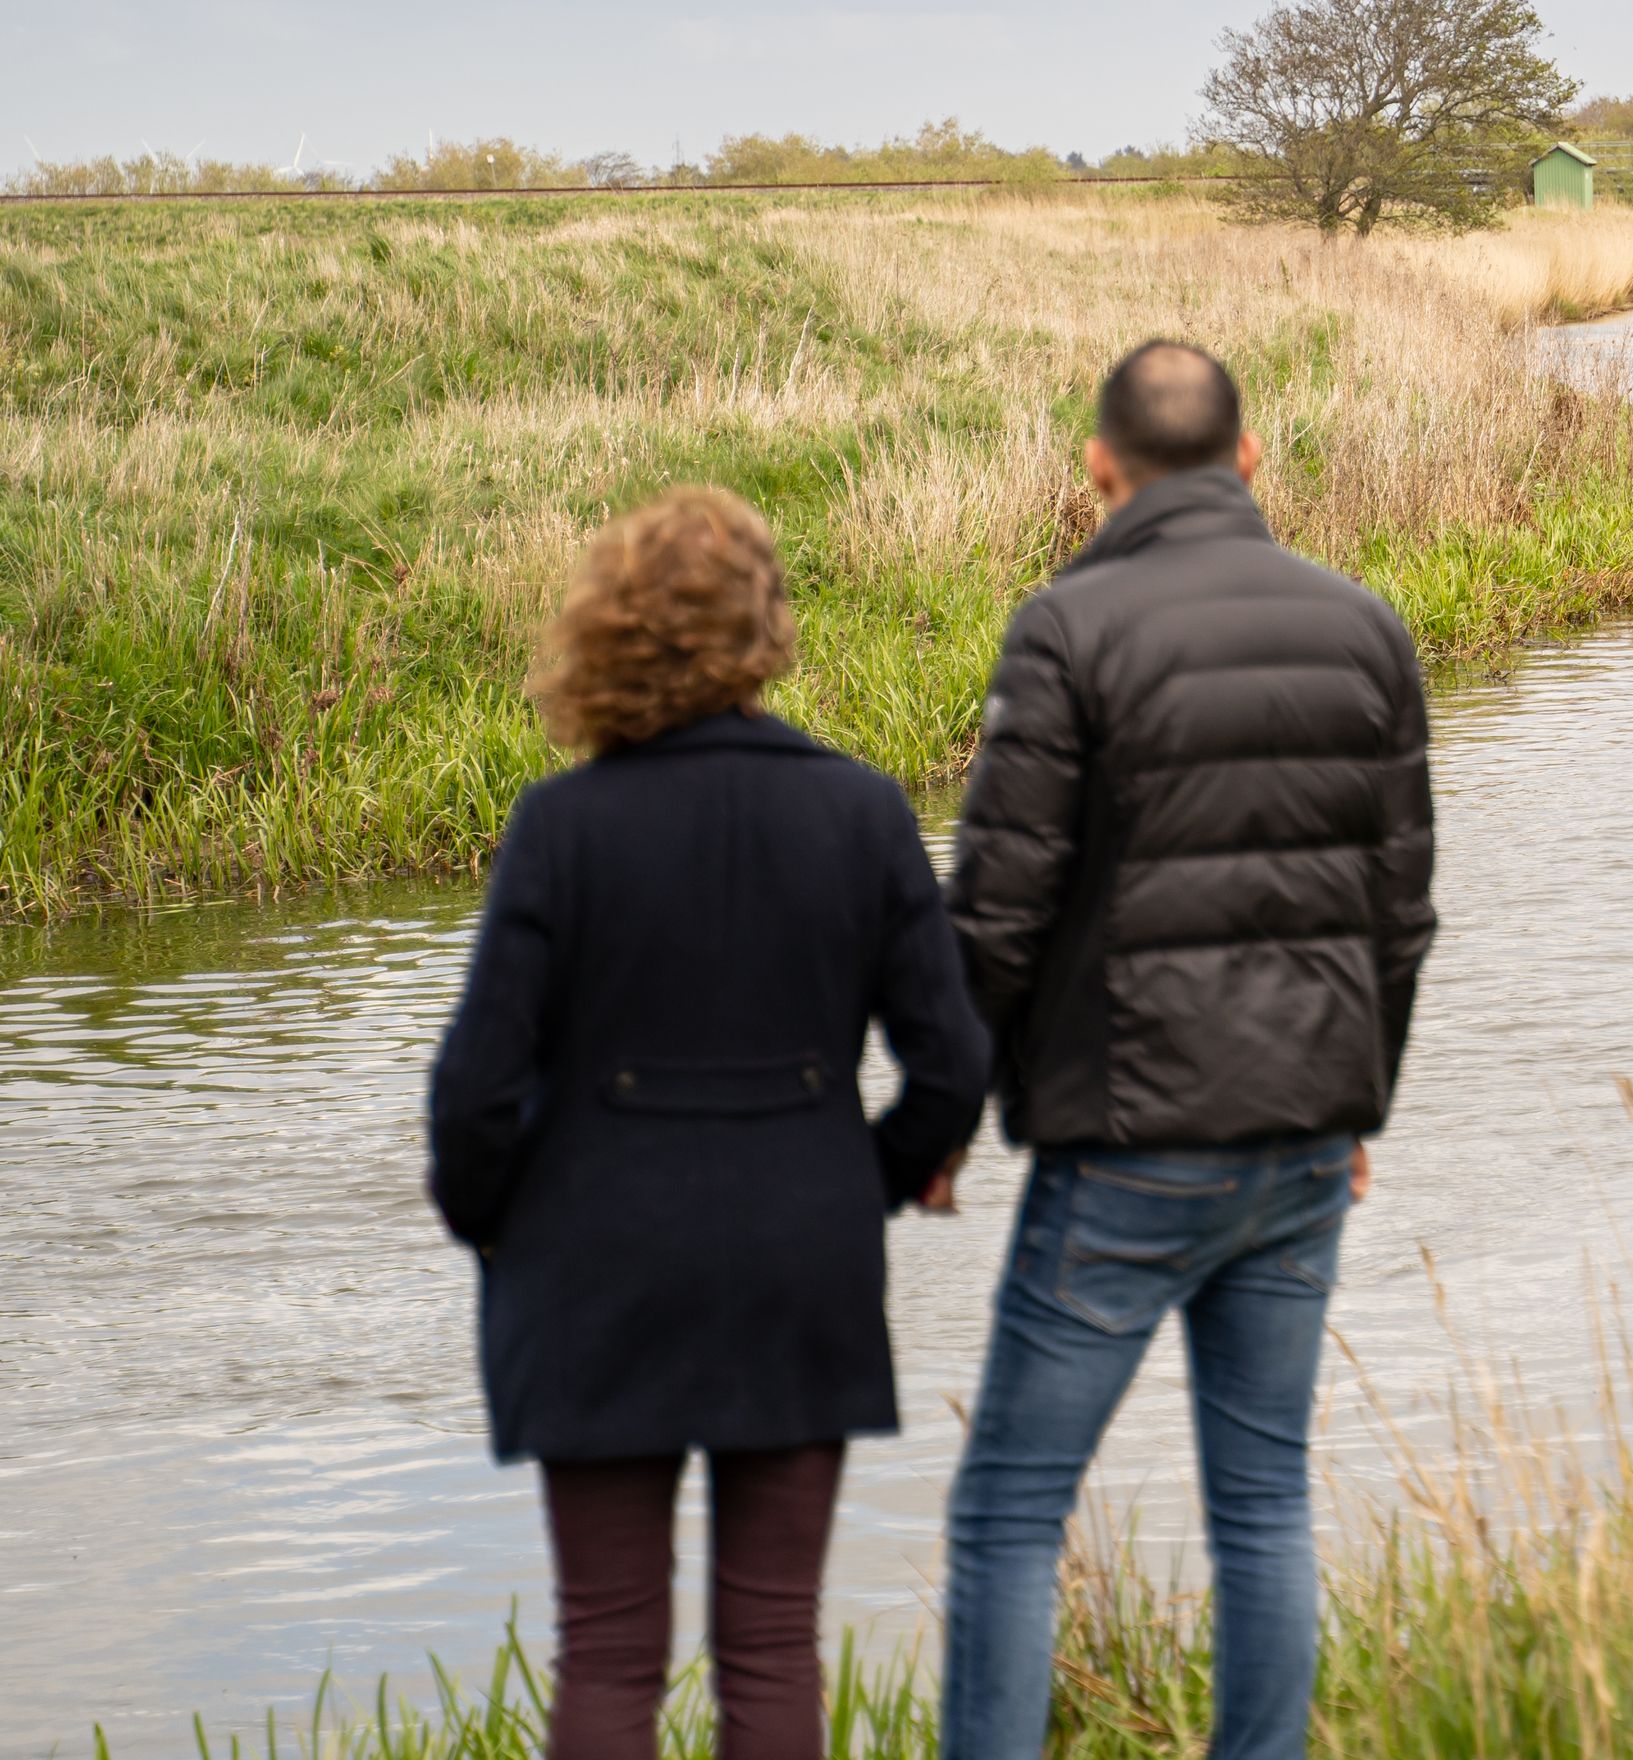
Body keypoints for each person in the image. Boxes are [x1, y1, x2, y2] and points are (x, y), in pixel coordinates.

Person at [425, 485, 988, 1760]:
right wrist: (858, 1179)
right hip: (799, 1259)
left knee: (609, 1648)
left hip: (591, 1265)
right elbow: (955, 1067)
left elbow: (472, 1094)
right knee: (774, 1641)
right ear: (767, 627)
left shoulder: (559, 826)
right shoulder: (864, 811)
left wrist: (495, 1222)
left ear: (606, 629)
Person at [937, 339, 1438, 1760]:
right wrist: (1358, 1108)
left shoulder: (1066, 627)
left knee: (1008, 1512)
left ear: (1100, 466)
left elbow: (999, 910)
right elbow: (1400, 910)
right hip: (1304, 1136)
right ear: (1250, 457)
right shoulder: (1366, 627)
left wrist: (944, 1114)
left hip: (1128, 1141)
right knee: (1265, 1504)